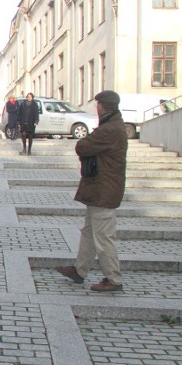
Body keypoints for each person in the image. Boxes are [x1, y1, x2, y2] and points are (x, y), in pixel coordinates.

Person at [56, 90, 128, 292]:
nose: (96, 108)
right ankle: (80, 271)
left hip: (104, 191)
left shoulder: (110, 129)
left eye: (97, 104)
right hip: (100, 189)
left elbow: (83, 146)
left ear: (103, 106)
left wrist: (86, 143)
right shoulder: (112, 125)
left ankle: (113, 279)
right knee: (89, 233)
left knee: (104, 237)